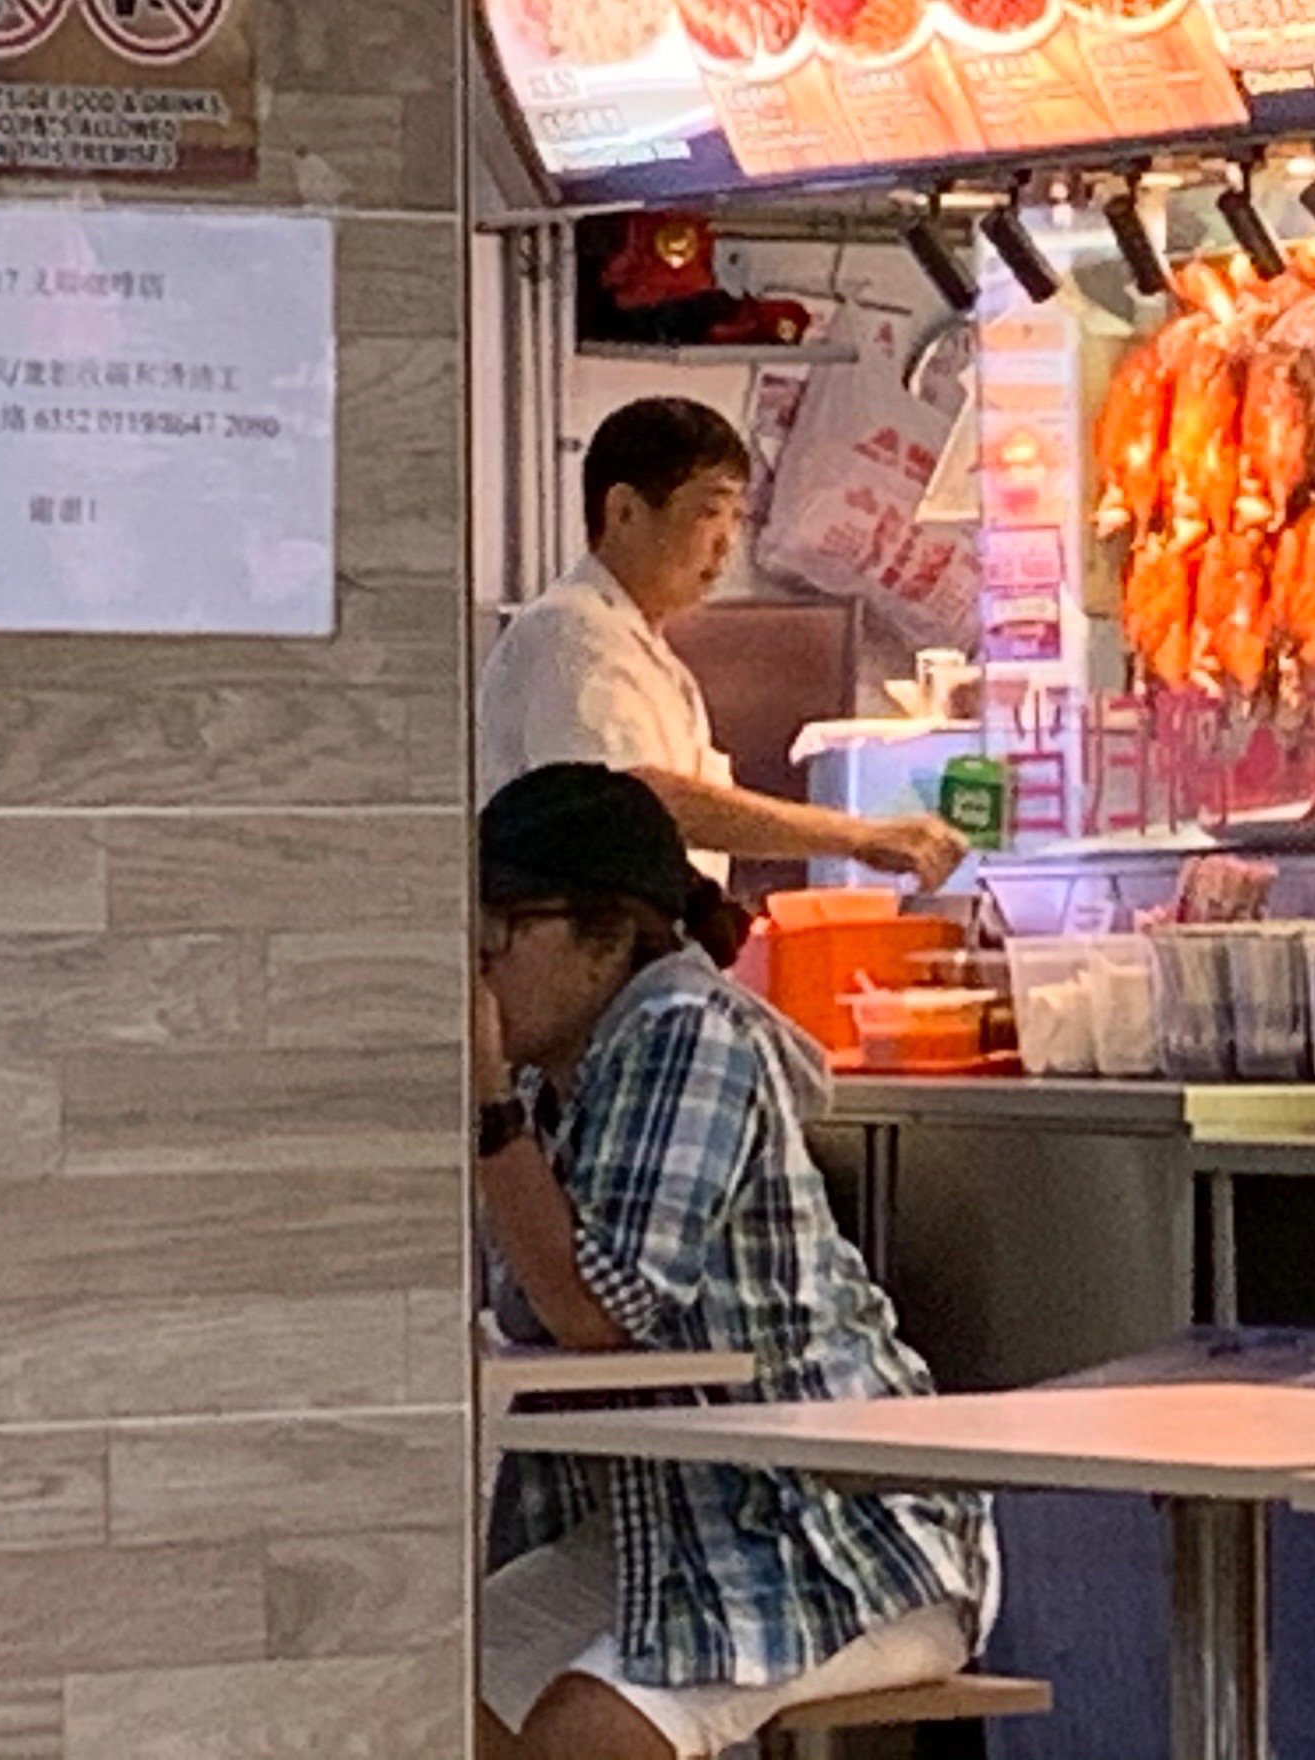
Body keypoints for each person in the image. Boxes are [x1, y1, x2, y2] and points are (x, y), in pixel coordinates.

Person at [476, 764, 999, 1760]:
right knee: (408, 1690)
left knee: (586, 1735)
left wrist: (486, 1105)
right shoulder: (558, 1080)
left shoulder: (688, 1032)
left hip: (832, 1527)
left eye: (500, 931)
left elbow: (597, 1310)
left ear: (607, 938)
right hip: (658, 1525)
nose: (479, 969)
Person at [482, 397, 966, 892]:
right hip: (584, 936)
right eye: (709, 511)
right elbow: (641, 800)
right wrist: (856, 837)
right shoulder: (572, 634)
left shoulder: (646, 651)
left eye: (737, 517)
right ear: (624, 511)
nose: (726, 541)